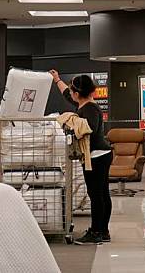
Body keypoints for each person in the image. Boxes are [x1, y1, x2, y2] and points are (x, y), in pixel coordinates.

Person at [49, 70, 113, 245]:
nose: (70, 94)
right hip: (101, 155)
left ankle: (97, 232)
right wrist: (57, 80)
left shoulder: (90, 109)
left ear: (78, 94)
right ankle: (103, 231)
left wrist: (72, 123)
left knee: (97, 195)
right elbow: (66, 95)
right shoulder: (85, 104)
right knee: (101, 194)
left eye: (72, 92)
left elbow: (88, 127)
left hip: (97, 157)